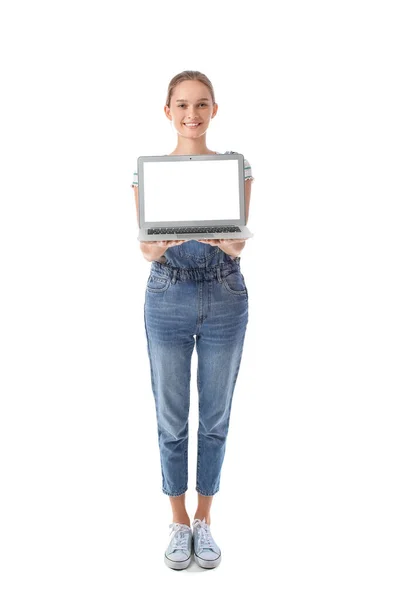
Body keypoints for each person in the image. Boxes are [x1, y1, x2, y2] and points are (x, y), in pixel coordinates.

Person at [131, 70, 254, 570]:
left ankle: (205, 518)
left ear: (214, 110)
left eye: (202, 104)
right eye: (182, 105)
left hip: (225, 291)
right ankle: (178, 522)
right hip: (167, 294)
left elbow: (239, 240)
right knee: (171, 418)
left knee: (216, 417)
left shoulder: (236, 168)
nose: (192, 114)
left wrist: (230, 240)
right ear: (167, 111)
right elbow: (145, 247)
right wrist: (156, 245)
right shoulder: (148, 173)